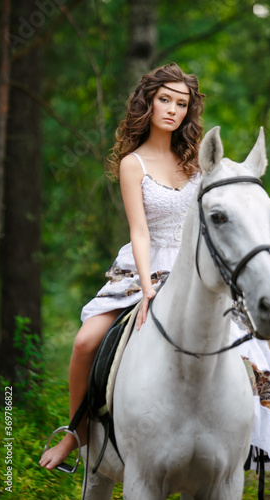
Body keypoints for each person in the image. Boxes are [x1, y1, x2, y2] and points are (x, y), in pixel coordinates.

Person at [40, 62, 205, 471]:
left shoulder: (198, 163)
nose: (172, 109)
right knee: (84, 342)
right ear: (147, 102)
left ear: (188, 111)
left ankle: (255, 430)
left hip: (191, 270)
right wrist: (148, 288)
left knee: (249, 338)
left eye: (181, 103)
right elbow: (140, 232)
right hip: (141, 271)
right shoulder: (135, 163)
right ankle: (75, 435)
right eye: (164, 99)